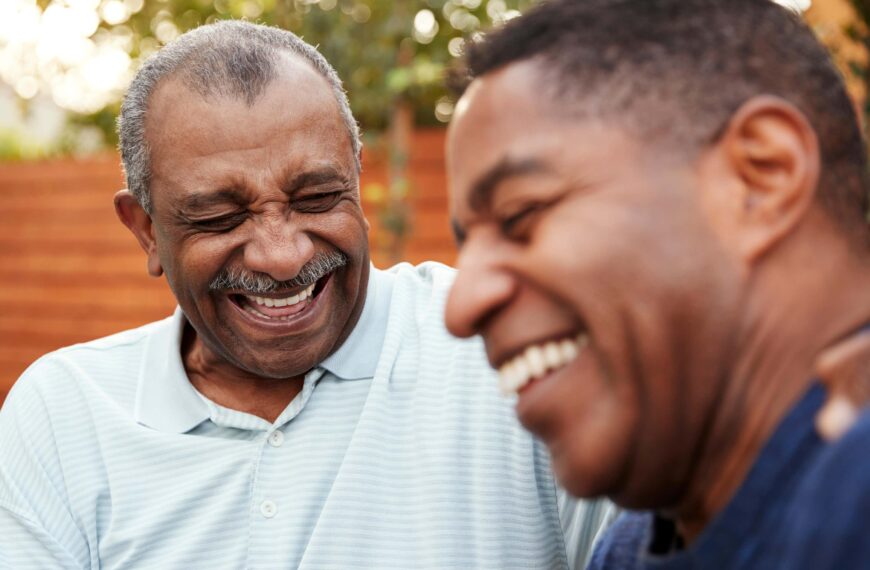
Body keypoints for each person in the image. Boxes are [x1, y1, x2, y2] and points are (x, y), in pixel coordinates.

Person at [0, 20, 612, 569]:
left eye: (318, 198)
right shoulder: (65, 417)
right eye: (219, 217)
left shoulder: (508, 351)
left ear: (356, 177)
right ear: (146, 231)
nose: (283, 255)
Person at [443, 0, 870, 567]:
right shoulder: (625, 550)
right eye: (465, 243)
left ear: (761, 177)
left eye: (521, 216)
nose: (460, 305)